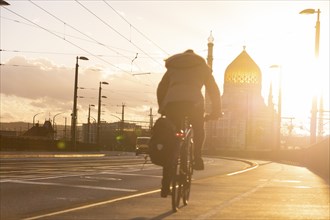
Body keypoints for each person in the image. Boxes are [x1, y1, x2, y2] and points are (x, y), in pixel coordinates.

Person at [157, 49, 221, 197]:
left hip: (172, 106)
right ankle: (197, 156)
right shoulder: (202, 67)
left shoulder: (173, 67)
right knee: (198, 127)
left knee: (171, 141)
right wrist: (216, 110)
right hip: (194, 105)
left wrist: (163, 107)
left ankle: (165, 183)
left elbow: (161, 88)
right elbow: (213, 90)